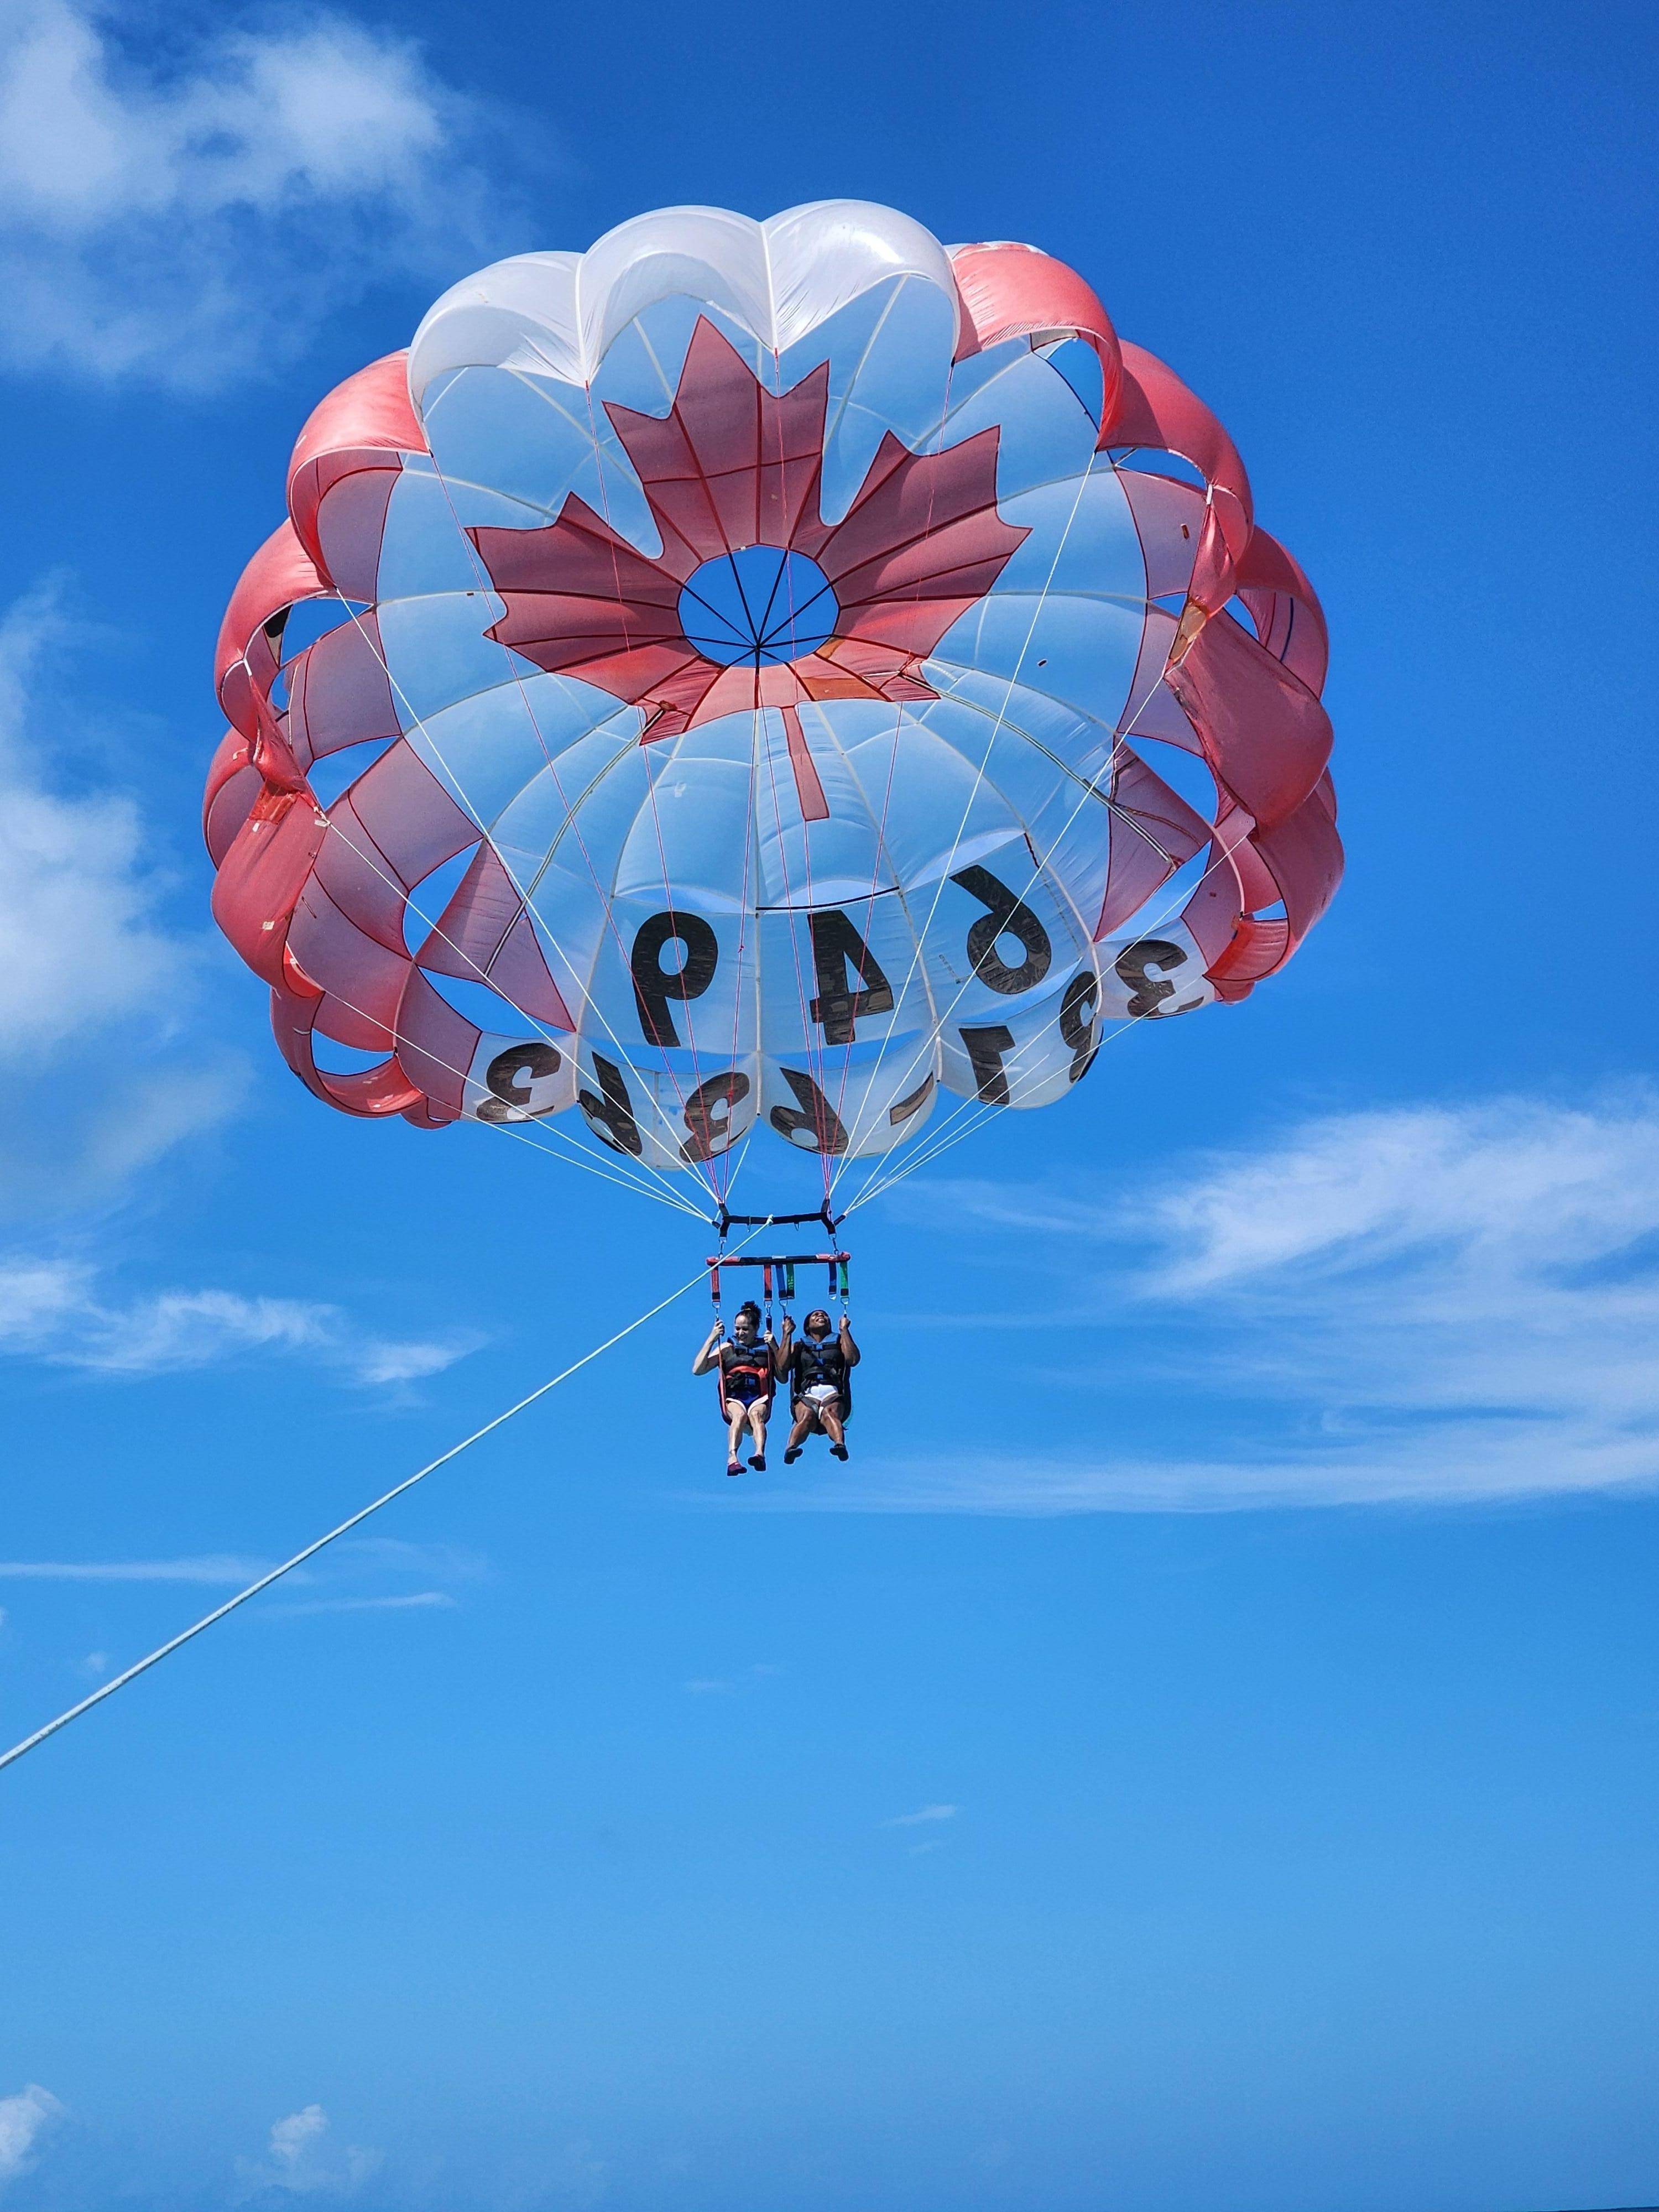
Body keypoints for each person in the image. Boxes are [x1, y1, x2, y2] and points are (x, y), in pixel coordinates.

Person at [692, 1299, 775, 1476]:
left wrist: (775, 1345)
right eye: (737, 1328)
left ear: (755, 1329)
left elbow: (783, 1376)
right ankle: (732, 1458)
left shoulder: (766, 1349)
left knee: (756, 1415)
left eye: (745, 1329)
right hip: (735, 1396)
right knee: (739, 1415)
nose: (740, 1333)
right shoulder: (728, 1347)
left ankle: (759, 1454)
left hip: (758, 1395)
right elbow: (698, 1370)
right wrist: (712, 1338)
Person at [776, 1306, 859, 1463]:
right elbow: (782, 1367)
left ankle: (840, 1445)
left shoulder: (839, 1341)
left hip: (832, 1391)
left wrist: (844, 1330)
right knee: (807, 1417)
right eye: (815, 1315)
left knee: (830, 1413)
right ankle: (791, 1448)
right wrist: (786, 1334)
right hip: (807, 1393)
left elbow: (853, 1360)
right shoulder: (800, 1345)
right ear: (807, 1326)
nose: (821, 1315)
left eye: (825, 1315)